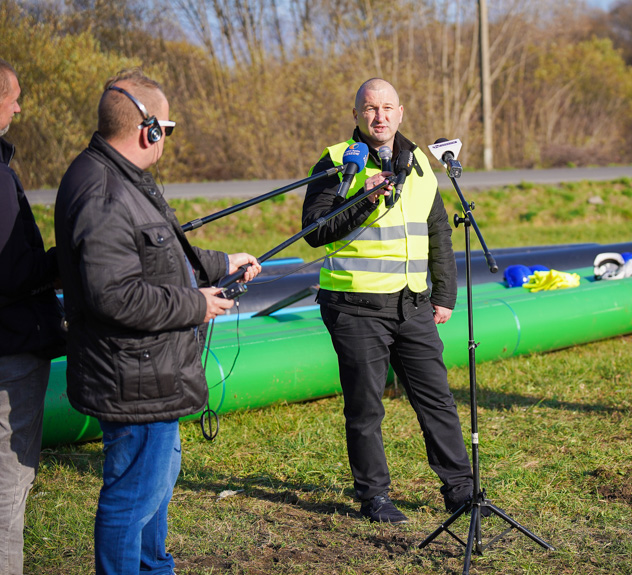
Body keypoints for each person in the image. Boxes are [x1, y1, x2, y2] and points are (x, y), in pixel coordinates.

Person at [53, 69, 261, 573]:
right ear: (149, 129)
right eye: (167, 128)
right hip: (134, 379)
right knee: (132, 497)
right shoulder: (102, 191)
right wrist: (198, 304)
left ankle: (154, 567)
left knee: (158, 481)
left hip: (147, 373)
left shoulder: (122, 178)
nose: (166, 139)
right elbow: (115, 295)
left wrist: (220, 262)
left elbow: (156, 253)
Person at [302, 78, 474, 523]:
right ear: (357, 115)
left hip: (412, 304)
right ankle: (374, 497)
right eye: (369, 109)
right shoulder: (338, 160)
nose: (379, 117)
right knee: (365, 408)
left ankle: (461, 490)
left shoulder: (419, 161)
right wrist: (362, 198)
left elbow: (437, 229)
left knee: (436, 399)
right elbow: (316, 231)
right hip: (355, 306)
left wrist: (445, 293)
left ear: (400, 113)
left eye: (387, 108)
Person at [0, 58, 65, 575]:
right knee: (9, 485)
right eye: (13, 96)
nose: (19, 106)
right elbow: (14, 273)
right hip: (10, 351)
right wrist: (68, 259)